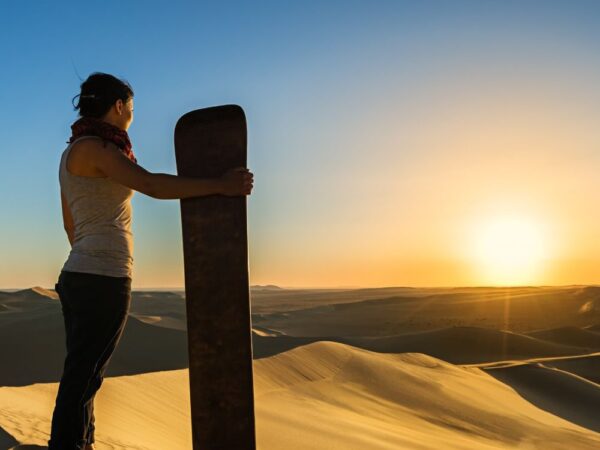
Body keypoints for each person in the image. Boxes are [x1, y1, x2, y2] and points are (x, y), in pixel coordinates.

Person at [48, 72, 254, 450]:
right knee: (84, 377)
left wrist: (89, 256)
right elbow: (153, 185)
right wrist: (220, 185)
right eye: (132, 109)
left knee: (84, 373)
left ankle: (82, 443)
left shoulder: (71, 153)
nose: (132, 116)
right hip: (102, 278)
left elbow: (69, 225)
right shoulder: (98, 150)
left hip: (80, 273)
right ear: (119, 106)